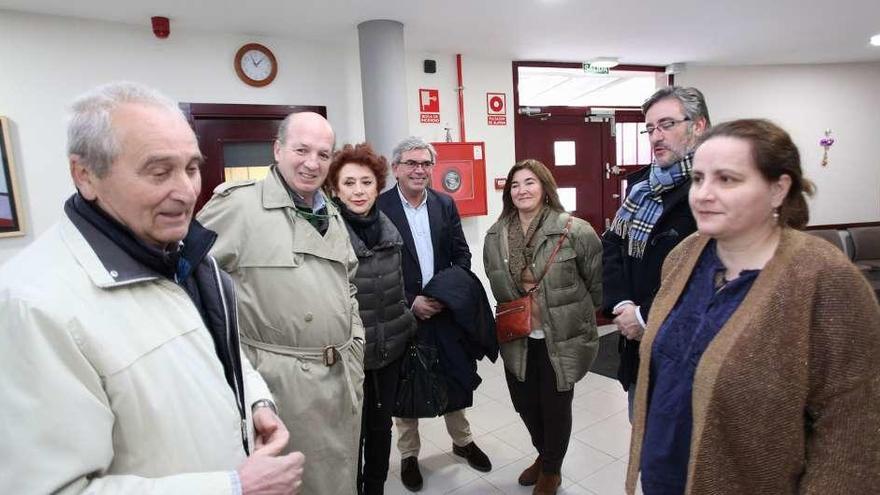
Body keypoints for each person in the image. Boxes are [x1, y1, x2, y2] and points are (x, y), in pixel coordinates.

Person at [0, 82, 303, 494]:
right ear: (85, 175)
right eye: (159, 172)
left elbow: (218, 354)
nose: (186, 191)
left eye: (192, 168)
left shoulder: (190, 258)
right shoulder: (33, 304)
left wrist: (257, 403)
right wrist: (230, 488)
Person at [625, 119, 880, 494]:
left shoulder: (826, 280)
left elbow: (852, 433)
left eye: (726, 179)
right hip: (665, 478)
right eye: (698, 178)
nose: (704, 194)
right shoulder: (684, 257)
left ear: (778, 188)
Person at [198, 111, 365, 495]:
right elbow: (192, 284)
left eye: (323, 154)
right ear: (278, 149)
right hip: (282, 383)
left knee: (339, 478)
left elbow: (348, 284)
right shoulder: (239, 207)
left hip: (340, 377)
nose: (312, 163)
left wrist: (355, 341)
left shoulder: (330, 211)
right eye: (301, 150)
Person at [377, 136, 492, 491]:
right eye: (411, 163)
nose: (419, 170)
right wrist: (412, 301)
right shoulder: (379, 209)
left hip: (444, 311)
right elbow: (377, 267)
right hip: (402, 312)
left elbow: (461, 256)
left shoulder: (444, 204)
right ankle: (410, 455)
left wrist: (444, 296)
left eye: (425, 164)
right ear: (396, 168)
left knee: (453, 376)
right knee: (406, 384)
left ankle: (463, 442)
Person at [483, 159, 603, 494]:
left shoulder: (574, 229)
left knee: (555, 407)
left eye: (529, 182)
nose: (521, 190)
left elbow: (595, 281)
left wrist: (576, 315)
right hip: (517, 337)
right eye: (515, 184)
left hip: (560, 337)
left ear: (545, 187)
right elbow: (496, 281)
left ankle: (552, 469)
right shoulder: (496, 236)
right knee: (525, 404)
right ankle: (544, 454)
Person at [602, 86, 710, 418]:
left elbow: (707, 275)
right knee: (646, 446)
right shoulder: (642, 188)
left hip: (689, 354)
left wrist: (645, 316)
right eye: (649, 128)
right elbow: (612, 247)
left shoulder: (711, 190)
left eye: (666, 125)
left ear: (698, 126)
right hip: (639, 352)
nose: (655, 137)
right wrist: (622, 305)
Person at [326, 142, 417, 495]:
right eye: (349, 183)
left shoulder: (390, 230)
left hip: (389, 350)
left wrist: (406, 325)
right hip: (347, 357)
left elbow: (399, 289)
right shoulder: (326, 235)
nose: (359, 191)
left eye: (366, 182)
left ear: (378, 186)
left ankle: (375, 488)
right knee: (350, 435)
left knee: (381, 430)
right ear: (334, 188)